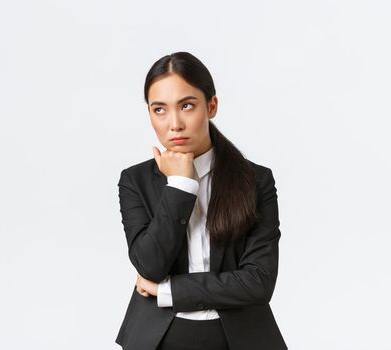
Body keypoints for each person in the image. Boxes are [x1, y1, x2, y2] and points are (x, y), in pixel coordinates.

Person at [114, 52, 287, 350]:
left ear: (212, 106)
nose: (175, 124)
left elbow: (258, 282)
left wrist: (167, 290)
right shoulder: (135, 181)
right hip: (158, 338)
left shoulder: (256, 181)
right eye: (159, 110)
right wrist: (180, 186)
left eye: (187, 106)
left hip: (239, 338)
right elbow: (150, 266)